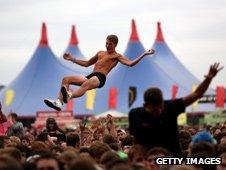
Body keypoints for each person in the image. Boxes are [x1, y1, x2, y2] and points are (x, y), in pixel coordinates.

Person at [129, 63, 223, 156]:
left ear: (163, 102)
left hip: (172, 160)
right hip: (149, 162)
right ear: (145, 105)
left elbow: (196, 94)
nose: (159, 112)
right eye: (154, 110)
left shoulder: (170, 107)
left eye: (161, 108)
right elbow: (136, 142)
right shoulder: (135, 114)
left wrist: (209, 78)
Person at [44, 34, 155, 111]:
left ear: (115, 45)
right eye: (106, 43)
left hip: (100, 78)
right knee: (66, 79)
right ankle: (59, 102)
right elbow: (87, 63)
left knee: (86, 85)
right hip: (91, 75)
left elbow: (130, 64)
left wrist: (144, 54)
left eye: (110, 44)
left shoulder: (117, 56)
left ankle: (69, 96)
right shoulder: (100, 53)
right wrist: (72, 59)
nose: (107, 45)